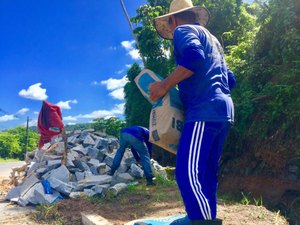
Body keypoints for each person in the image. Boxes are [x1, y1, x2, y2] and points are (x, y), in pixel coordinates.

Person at [149, 0, 236, 224]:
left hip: (203, 111)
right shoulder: (214, 41)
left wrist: (164, 85)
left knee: (187, 172)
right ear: (194, 15)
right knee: (206, 172)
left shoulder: (183, 30)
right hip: (224, 110)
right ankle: (206, 216)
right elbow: (231, 79)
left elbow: (194, 58)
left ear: (173, 19)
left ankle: (201, 220)